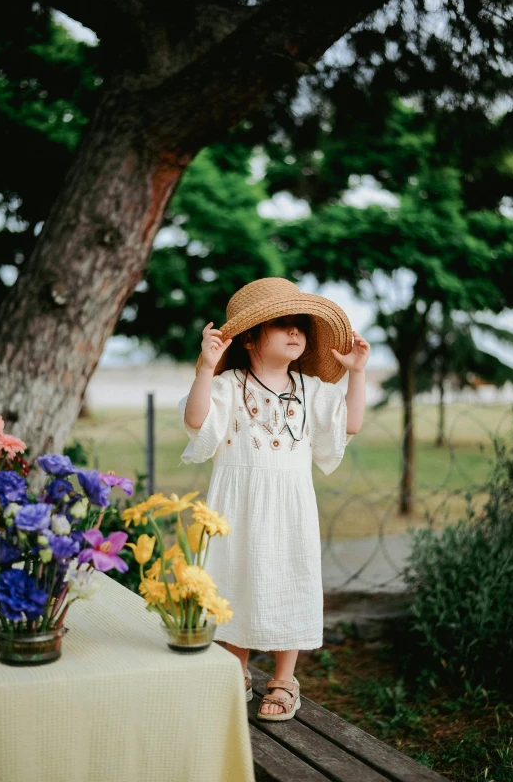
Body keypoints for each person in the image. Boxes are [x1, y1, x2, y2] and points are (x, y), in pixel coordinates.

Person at [178, 277, 369, 721]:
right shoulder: (228, 384)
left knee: (290, 578)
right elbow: (196, 420)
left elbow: (351, 424)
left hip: (289, 504)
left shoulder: (311, 389)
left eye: (299, 324)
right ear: (249, 337)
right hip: (237, 503)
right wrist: (205, 367)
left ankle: (285, 677)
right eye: (282, 324)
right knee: (236, 576)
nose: (295, 331)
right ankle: (238, 669)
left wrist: (357, 372)